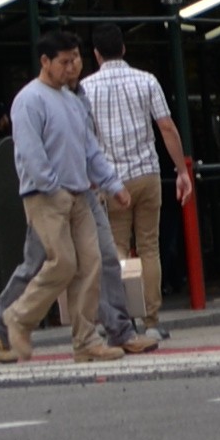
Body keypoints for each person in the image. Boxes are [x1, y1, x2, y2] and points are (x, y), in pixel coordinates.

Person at [0, 35, 114, 364]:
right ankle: (8, 320)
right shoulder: (29, 100)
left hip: (79, 192)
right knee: (52, 263)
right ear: (45, 62)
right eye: (64, 61)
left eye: (76, 59)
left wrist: (111, 181)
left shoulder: (73, 99)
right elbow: (29, 151)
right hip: (46, 195)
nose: (73, 66)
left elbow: (89, 147)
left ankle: (85, 338)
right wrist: (52, 187)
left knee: (88, 262)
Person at [82, 38, 188, 343]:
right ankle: (152, 320)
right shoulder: (147, 80)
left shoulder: (87, 88)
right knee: (149, 247)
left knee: (114, 249)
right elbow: (166, 127)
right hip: (146, 174)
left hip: (109, 179)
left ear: (96, 53)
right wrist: (181, 170)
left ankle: (118, 318)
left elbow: (84, 138)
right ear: (124, 49)